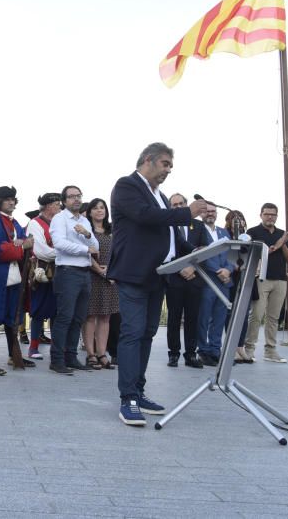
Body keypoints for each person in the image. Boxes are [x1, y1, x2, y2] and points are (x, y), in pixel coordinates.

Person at [107, 142, 206, 426]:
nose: (168, 171)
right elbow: (146, 217)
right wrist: (187, 212)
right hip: (134, 273)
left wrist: (198, 251)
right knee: (133, 332)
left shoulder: (159, 195)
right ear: (148, 160)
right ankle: (128, 399)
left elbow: (172, 236)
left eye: (170, 166)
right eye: (165, 164)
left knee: (148, 333)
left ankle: (138, 390)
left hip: (158, 275)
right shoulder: (127, 186)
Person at [0, 186, 34, 374]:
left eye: (13, 199)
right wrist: (18, 247)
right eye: (7, 199)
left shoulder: (15, 222)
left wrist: (21, 244)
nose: (12, 202)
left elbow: (27, 241)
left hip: (13, 276)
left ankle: (14, 354)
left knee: (13, 317)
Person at [48, 185, 98, 375]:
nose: (76, 199)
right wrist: (85, 249)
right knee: (65, 317)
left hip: (85, 273)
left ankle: (71, 356)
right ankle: (57, 360)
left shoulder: (84, 220)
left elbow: (95, 244)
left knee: (78, 318)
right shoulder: (59, 219)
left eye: (78, 196)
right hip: (68, 273)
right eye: (71, 197)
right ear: (64, 200)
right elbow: (59, 244)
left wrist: (86, 235)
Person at [243, 204, 288, 364]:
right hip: (260, 278)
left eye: (273, 214)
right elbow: (247, 254)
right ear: (261, 215)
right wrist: (275, 246)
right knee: (256, 315)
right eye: (267, 214)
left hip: (280, 279)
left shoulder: (282, 234)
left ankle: (270, 350)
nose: (270, 217)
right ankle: (249, 349)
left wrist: (282, 243)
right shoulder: (252, 232)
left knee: (274, 317)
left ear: (277, 216)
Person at [163, 193, 207, 368]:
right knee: (173, 318)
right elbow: (165, 250)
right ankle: (173, 354)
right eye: (174, 205)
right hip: (174, 278)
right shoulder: (167, 226)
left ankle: (190, 354)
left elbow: (203, 249)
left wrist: (192, 267)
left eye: (181, 203)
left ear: (187, 205)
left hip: (194, 277)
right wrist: (180, 268)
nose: (178, 207)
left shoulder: (198, 225)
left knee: (193, 318)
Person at [196, 203, 234, 367]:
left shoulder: (224, 232)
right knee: (203, 317)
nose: (210, 214)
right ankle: (203, 350)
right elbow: (199, 255)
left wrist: (228, 270)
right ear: (201, 214)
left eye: (213, 211)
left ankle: (215, 351)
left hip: (224, 282)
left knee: (219, 318)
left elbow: (232, 255)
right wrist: (218, 270)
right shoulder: (198, 230)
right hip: (207, 280)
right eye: (207, 211)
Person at [84, 198, 119, 370]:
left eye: (102, 208)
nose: (100, 211)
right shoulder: (87, 230)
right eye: (96, 208)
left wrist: (111, 271)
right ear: (89, 212)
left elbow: (120, 253)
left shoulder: (112, 230)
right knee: (90, 316)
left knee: (106, 317)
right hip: (92, 276)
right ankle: (90, 354)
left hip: (110, 278)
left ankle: (102, 353)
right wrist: (101, 270)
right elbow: (86, 254)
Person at [24, 193, 60, 359]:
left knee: (57, 311)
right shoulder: (35, 223)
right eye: (56, 204)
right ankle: (33, 347)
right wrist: (65, 252)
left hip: (59, 271)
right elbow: (41, 251)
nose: (59, 206)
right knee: (38, 309)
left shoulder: (59, 222)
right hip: (42, 271)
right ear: (47, 206)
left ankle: (57, 345)